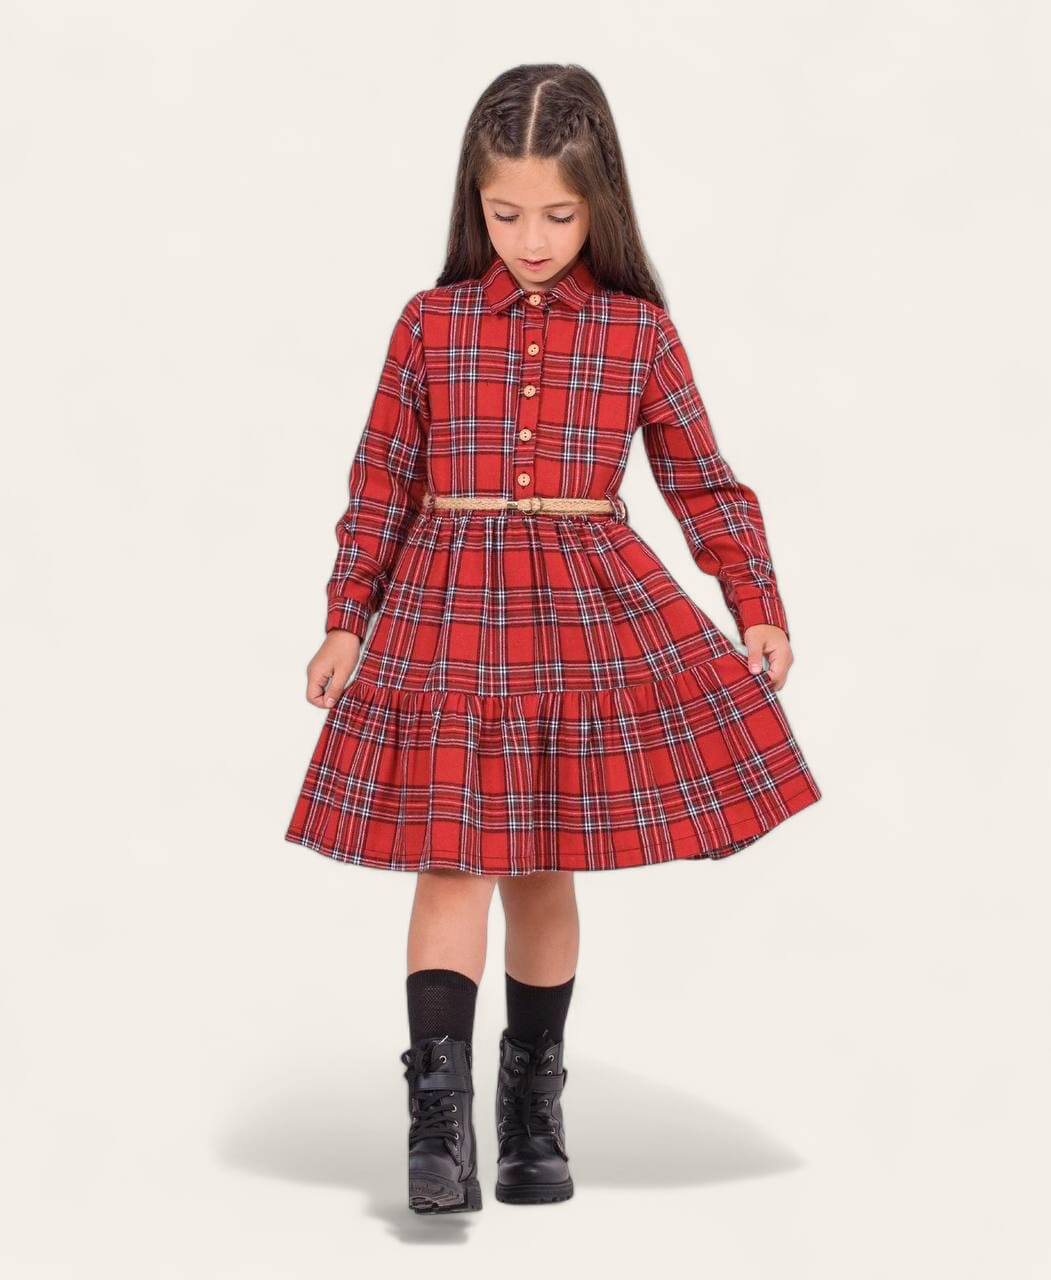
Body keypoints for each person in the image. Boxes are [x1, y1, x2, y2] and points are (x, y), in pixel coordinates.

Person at [283, 63, 822, 1214]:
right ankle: (438, 1125)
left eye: (558, 215)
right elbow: (380, 478)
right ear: (471, 202)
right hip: (445, 614)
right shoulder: (428, 324)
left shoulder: (636, 332)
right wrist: (345, 614)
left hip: (579, 618)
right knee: (450, 854)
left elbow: (701, 479)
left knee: (539, 865)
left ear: (601, 205)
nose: (530, 239)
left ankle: (531, 1109)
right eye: (505, 212)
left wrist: (755, 600)